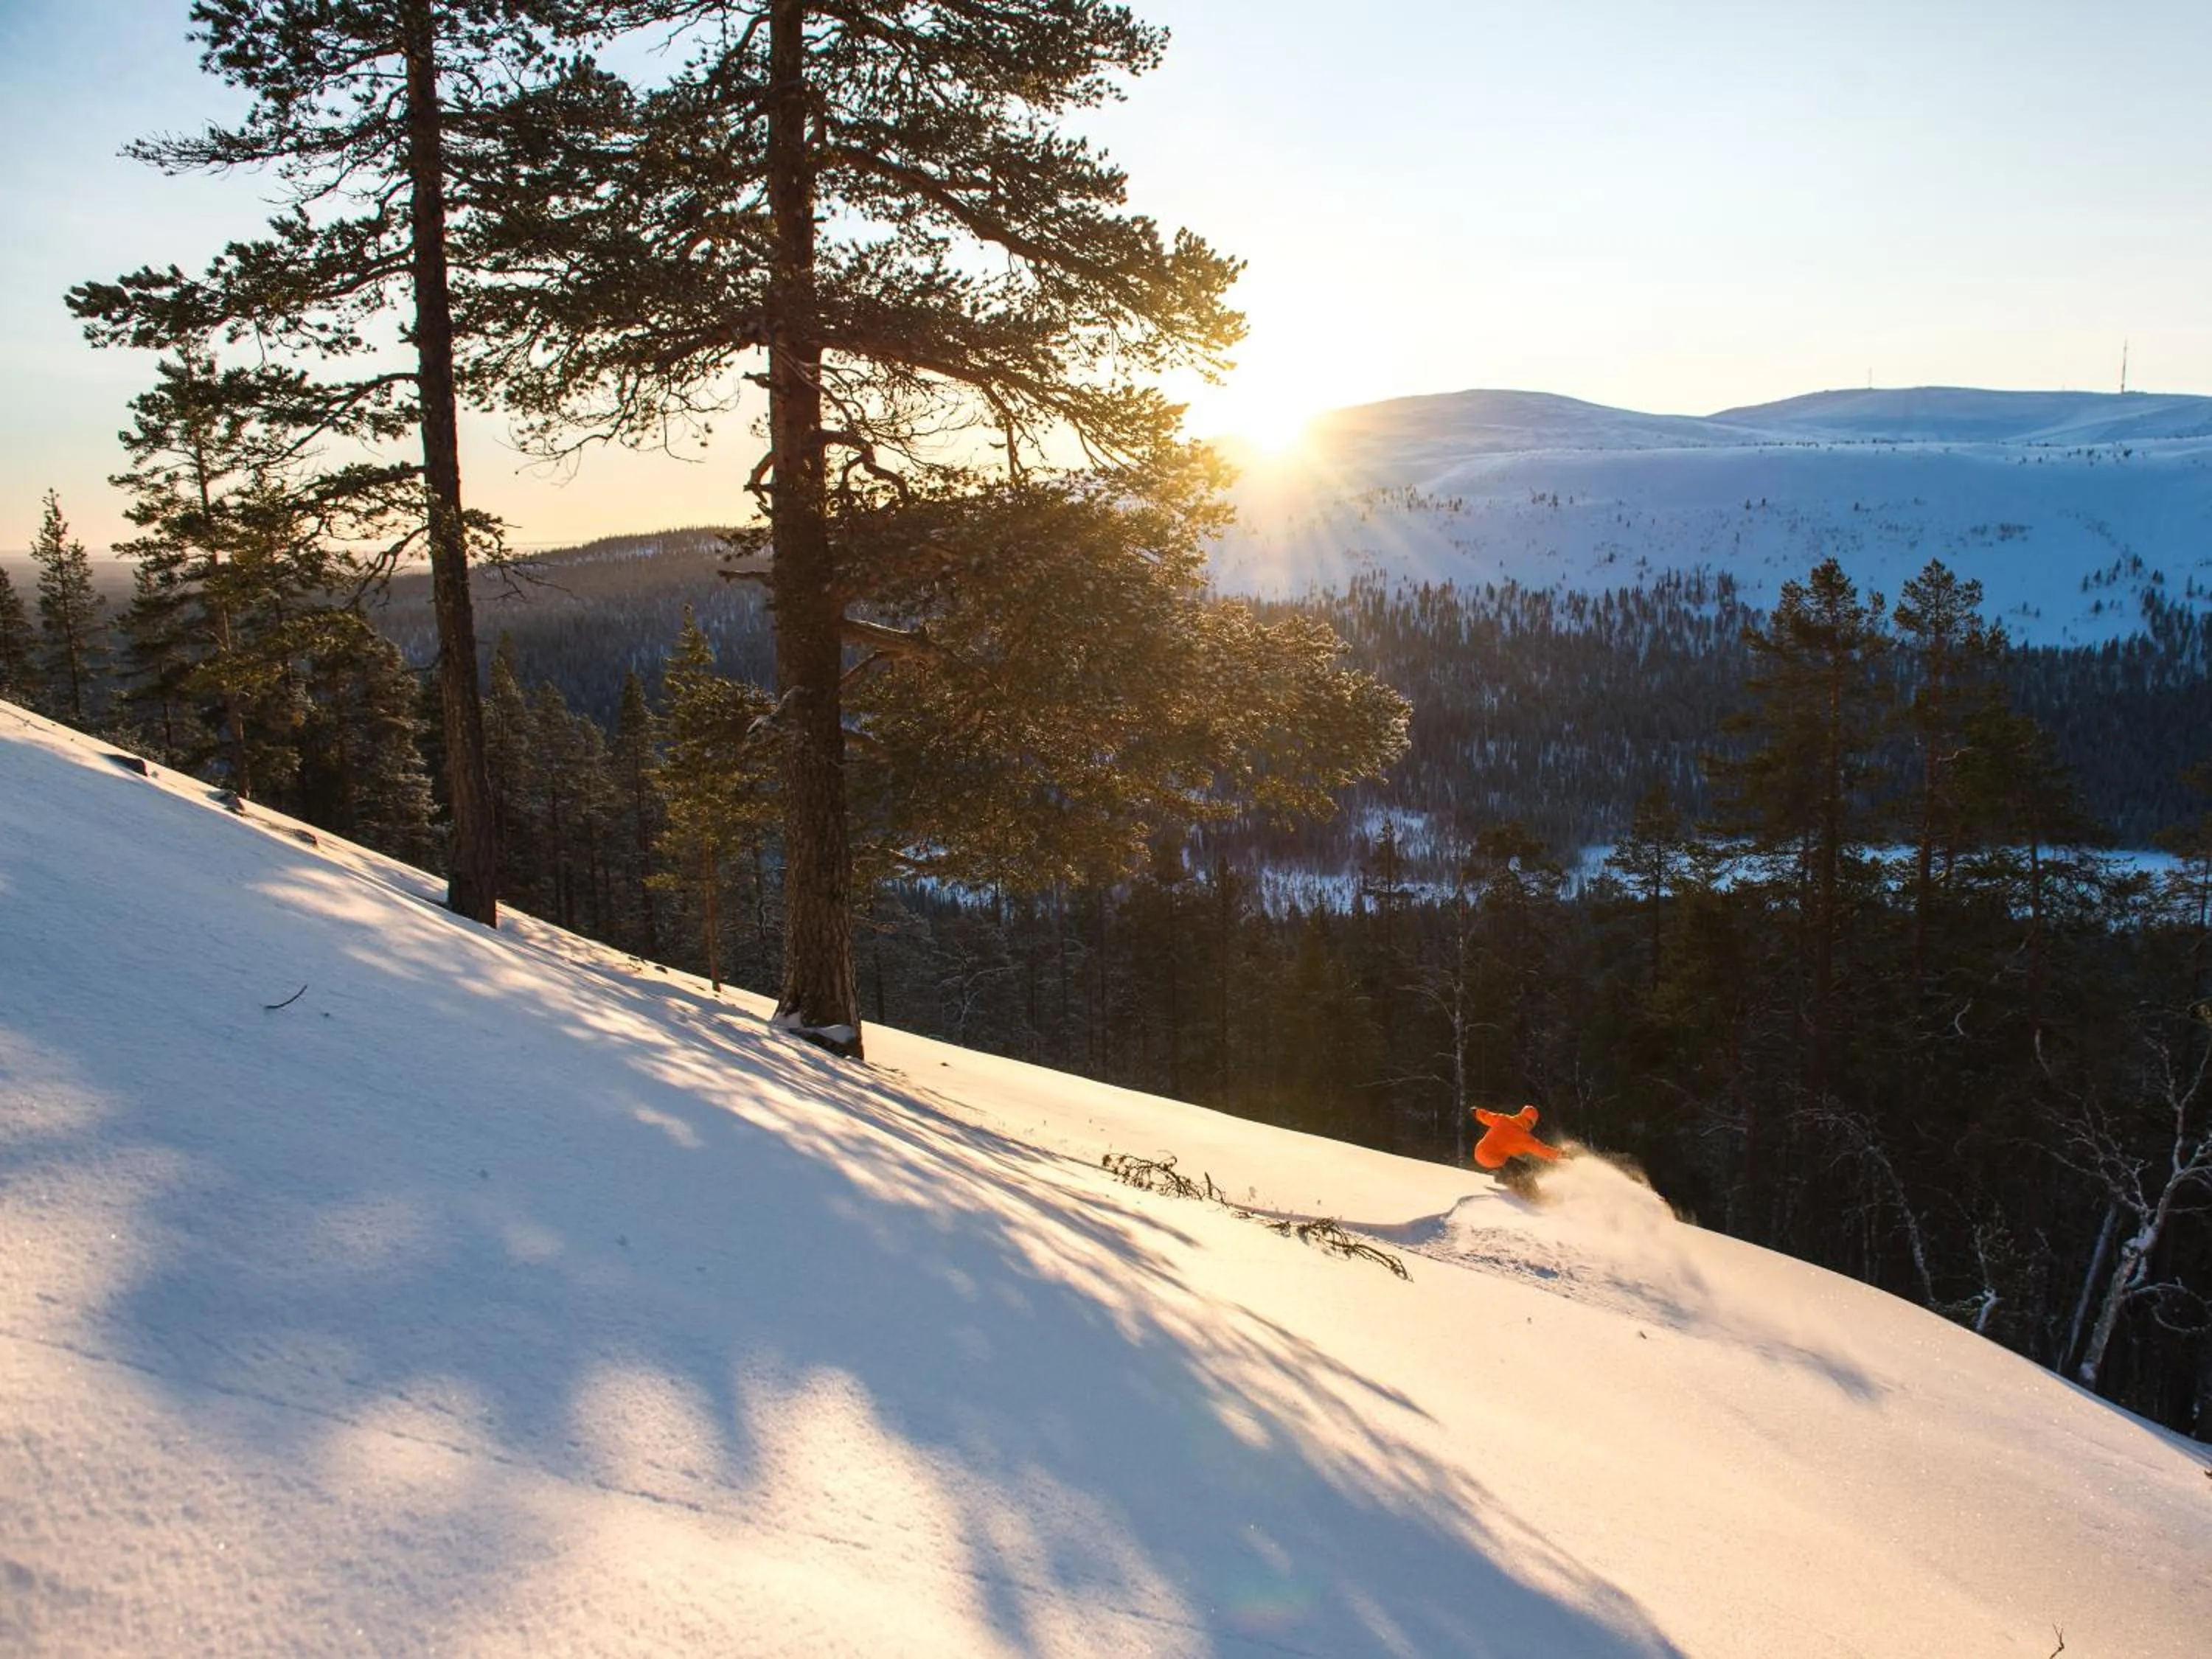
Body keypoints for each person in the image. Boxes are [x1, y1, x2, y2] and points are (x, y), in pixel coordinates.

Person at [1472, 1104, 1562, 1170]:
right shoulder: (1523, 1136)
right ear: (1531, 1123)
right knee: (1524, 1169)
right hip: (1493, 1159)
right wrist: (1561, 1154)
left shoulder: (1503, 1119)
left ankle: (1501, 1177)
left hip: (1478, 1152)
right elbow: (1542, 1150)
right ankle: (1532, 1194)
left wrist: (1476, 1112)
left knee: (1509, 1162)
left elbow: (1487, 1116)